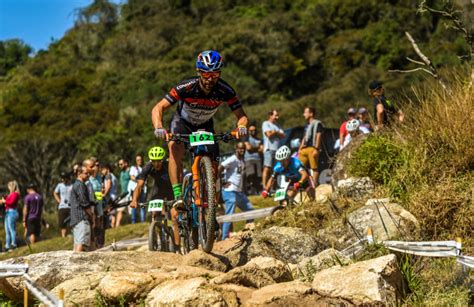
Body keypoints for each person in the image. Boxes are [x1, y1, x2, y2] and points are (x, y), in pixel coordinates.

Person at [151, 50, 248, 209]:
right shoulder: (186, 86)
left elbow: (241, 115)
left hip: (205, 125)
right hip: (182, 123)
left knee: (215, 161)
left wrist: (241, 126)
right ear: (198, 72)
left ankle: (213, 203)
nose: (210, 79)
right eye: (205, 74)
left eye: (215, 75)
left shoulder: (225, 90)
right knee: (174, 147)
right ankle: (178, 195)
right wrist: (159, 127)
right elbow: (158, 107)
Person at [129, 147, 176, 244]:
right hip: (158, 190)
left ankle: (177, 245)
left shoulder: (168, 165)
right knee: (154, 213)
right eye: (154, 161)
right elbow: (139, 186)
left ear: (163, 160)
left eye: (159, 161)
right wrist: (134, 200)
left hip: (171, 190)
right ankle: (155, 235)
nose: (157, 164)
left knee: (175, 216)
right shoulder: (147, 167)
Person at [218, 142, 255, 240]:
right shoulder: (232, 159)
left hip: (239, 192)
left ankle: (248, 232)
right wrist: (222, 182)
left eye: (243, 148)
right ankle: (224, 238)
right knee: (229, 215)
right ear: (236, 149)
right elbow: (220, 168)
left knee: (250, 210)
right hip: (229, 191)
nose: (242, 150)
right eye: (240, 148)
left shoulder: (242, 160)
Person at [70, 166, 94, 252]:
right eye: (86, 173)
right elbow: (84, 202)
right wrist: (91, 215)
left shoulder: (76, 184)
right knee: (81, 243)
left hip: (76, 219)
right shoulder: (80, 185)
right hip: (81, 218)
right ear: (79, 173)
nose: (88, 175)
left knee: (77, 244)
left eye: (89, 173)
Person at [298, 107, 323, 186]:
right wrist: (300, 148)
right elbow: (304, 137)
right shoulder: (307, 125)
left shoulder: (317, 123)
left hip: (312, 148)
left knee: (314, 168)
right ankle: (302, 184)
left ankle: (314, 185)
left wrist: (316, 149)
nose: (304, 114)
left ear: (311, 114)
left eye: (305, 112)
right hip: (304, 149)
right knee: (299, 167)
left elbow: (318, 136)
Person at [262, 109, 285, 189]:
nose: (277, 117)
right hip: (269, 149)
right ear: (270, 115)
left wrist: (274, 132)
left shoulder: (277, 125)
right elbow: (268, 134)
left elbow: (283, 135)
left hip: (277, 150)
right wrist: (276, 133)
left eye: (277, 115)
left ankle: (274, 187)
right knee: (267, 168)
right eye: (275, 115)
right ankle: (264, 187)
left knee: (276, 169)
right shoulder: (266, 123)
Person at [0, 181, 20, 251]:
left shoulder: (15, 194)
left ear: (12, 186)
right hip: (7, 213)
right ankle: (7, 245)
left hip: (12, 212)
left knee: (12, 229)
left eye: (9, 186)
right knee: (7, 230)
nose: (8, 188)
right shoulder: (10, 195)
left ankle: (14, 244)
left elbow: (11, 202)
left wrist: (4, 201)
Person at [244, 124, 263, 194]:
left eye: (254, 130)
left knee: (258, 176)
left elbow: (262, 149)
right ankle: (251, 190)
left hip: (258, 159)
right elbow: (248, 148)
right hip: (249, 159)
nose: (253, 132)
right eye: (251, 130)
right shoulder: (246, 139)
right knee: (250, 175)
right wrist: (257, 147)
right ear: (248, 131)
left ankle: (257, 190)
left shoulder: (259, 139)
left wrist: (253, 148)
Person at [53, 172, 73, 237]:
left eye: (64, 178)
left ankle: (72, 234)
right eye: (62, 178)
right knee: (62, 223)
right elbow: (55, 193)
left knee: (72, 222)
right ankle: (63, 236)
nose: (63, 180)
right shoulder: (60, 185)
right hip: (62, 207)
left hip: (71, 206)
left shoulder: (72, 185)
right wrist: (59, 201)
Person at [129, 154, 146, 223]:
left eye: (140, 160)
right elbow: (131, 177)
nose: (139, 161)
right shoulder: (133, 168)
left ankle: (143, 221)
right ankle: (133, 221)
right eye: (138, 160)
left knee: (142, 205)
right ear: (136, 161)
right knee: (134, 203)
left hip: (142, 189)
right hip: (134, 189)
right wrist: (138, 180)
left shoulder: (143, 168)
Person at [116, 158, 130, 227]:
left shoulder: (130, 171)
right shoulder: (121, 173)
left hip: (129, 194)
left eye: (121, 164)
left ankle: (132, 224)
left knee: (130, 212)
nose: (120, 166)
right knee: (120, 210)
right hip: (123, 194)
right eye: (119, 164)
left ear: (126, 163)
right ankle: (117, 226)